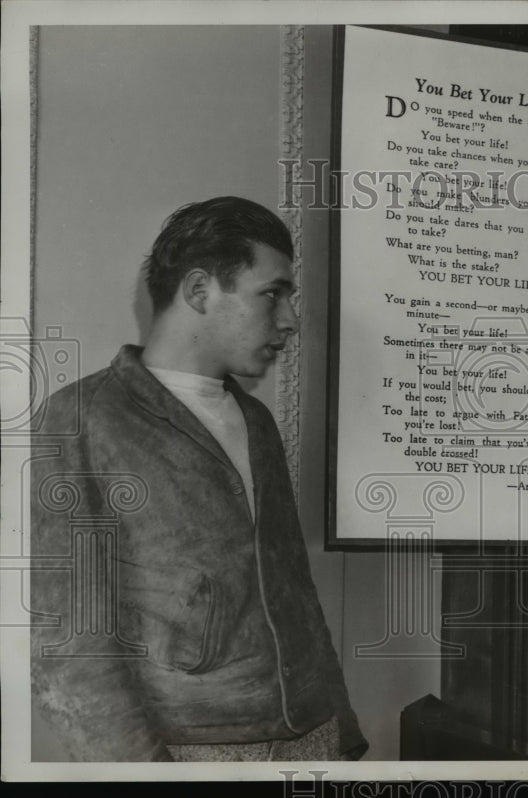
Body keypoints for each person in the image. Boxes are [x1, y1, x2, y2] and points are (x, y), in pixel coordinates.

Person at [31, 196, 367, 762]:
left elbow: (294, 590)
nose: (289, 319)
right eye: (273, 293)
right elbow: (65, 646)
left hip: (312, 736)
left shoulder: (256, 421)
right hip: (193, 751)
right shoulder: (77, 420)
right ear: (198, 291)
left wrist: (342, 729)